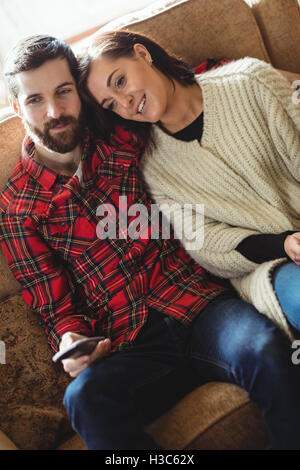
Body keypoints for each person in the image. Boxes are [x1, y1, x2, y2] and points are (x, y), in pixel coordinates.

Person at [1, 35, 300, 452]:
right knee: (83, 399)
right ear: (17, 108)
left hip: (200, 307)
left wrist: (285, 83)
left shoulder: (118, 133)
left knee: (265, 349)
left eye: (64, 92)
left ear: (80, 94)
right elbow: (55, 306)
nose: (54, 111)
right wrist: (71, 344)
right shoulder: (18, 208)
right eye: (35, 99)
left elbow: (178, 88)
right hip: (130, 346)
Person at [78, 29, 300, 345]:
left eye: (120, 81)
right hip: (271, 266)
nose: (125, 102)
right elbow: (207, 246)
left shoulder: (250, 80)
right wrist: (284, 244)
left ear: (142, 54)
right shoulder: (153, 169)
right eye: (111, 104)